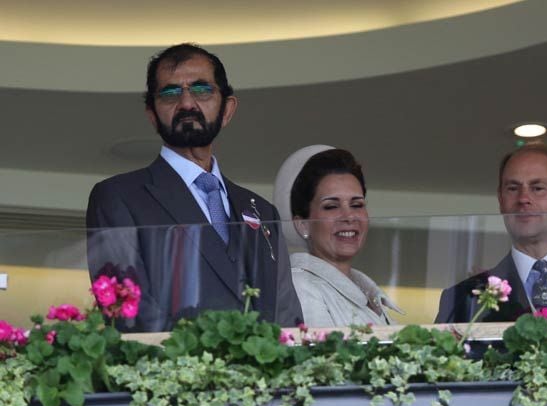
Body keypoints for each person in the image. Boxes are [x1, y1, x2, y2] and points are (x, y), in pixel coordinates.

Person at [85, 43, 302, 331]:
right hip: (175, 372)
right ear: (152, 113)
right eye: (171, 93)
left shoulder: (262, 210)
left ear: (227, 109)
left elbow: (288, 320)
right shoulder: (118, 197)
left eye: (202, 90)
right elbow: (129, 316)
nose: (187, 103)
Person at [435, 143, 547, 323]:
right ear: (501, 200)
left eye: (537, 188)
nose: (523, 198)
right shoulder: (461, 298)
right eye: (513, 189)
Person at [272, 146, 401, 327]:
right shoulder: (300, 286)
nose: (349, 217)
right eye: (331, 206)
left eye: (357, 205)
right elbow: (323, 354)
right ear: (303, 224)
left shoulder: (366, 291)